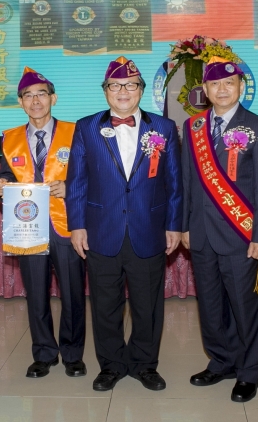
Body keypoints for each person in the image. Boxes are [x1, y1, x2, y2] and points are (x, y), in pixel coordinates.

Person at [65, 56, 182, 392]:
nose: (123, 91)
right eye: (115, 86)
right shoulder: (86, 127)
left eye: (130, 85)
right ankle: (111, 365)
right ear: (105, 91)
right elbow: (77, 181)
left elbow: (174, 182)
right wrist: (77, 226)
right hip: (101, 230)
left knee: (148, 305)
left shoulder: (164, 128)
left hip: (149, 229)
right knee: (105, 304)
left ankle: (145, 364)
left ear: (141, 90)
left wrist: (174, 225)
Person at [181, 57, 258, 403]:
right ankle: (221, 360)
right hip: (201, 233)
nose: (221, 89)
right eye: (214, 84)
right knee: (210, 305)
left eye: (228, 83)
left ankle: (251, 370)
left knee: (245, 306)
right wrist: (184, 226)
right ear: (205, 90)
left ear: (240, 87)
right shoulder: (192, 127)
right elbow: (188, 181)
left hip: (241, 234)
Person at [0, 67, 86, 379]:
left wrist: (70, 186)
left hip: (67, 224)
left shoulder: (76, 132)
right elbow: (8, 173)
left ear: (53, 98)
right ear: (20, 103)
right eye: (28, 96)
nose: (35, 101)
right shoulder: (10, 138)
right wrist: (0, 182)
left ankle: (73, 354)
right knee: (35, 293)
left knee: (72, 293)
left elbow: (92, 175)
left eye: (41, 94)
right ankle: (44, 353)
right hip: (27, 227)